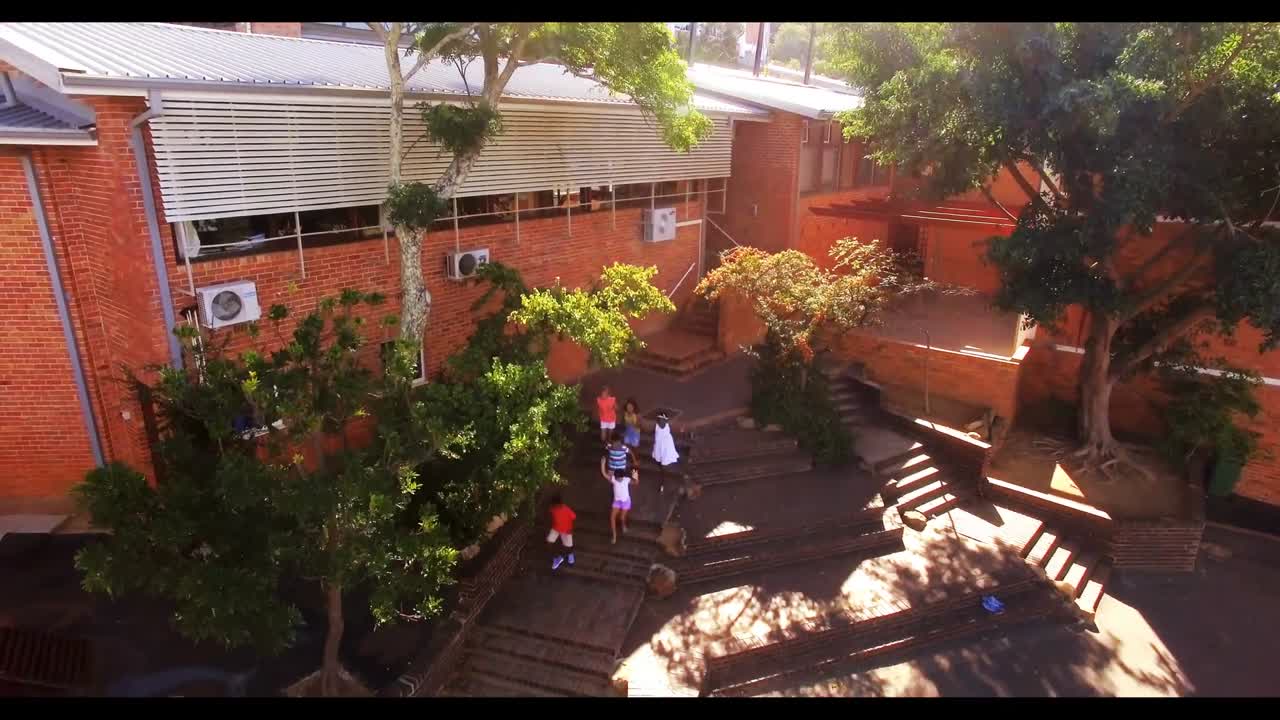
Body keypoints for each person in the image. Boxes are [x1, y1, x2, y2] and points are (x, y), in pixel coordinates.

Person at [601, 432, 639, 544]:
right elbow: (606, 451)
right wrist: (605, 463)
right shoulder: (609, 446)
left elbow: (631, 452)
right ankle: (615, 534)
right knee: (613, 484)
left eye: (617, 443)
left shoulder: (623, 448)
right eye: (613, 443)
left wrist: (635, 463)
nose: (615, 444)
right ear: (612, 442)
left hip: (620, 469)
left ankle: (622, 524)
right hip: (613, 470)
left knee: (622, 517)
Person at [651, 412, 680, 494]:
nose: (661, 422)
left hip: (666, 451)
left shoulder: (667, 433)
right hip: (658, 449)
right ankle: (663, 476)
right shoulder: (656, 427)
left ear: (666, 421)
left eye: (663, 420)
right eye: (659, 420)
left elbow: (668, 448)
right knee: (660, 464)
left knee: (664, 467)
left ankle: (663, 484)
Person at [547, 493, 576, 570]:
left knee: (568, 546)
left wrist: (570, 529)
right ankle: (557, 558)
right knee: (549, 541)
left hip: (566, 530)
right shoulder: (552, 508)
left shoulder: (566, 509)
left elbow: (573, 517)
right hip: (556, 528)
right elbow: (551, 514)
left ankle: (570, 554)